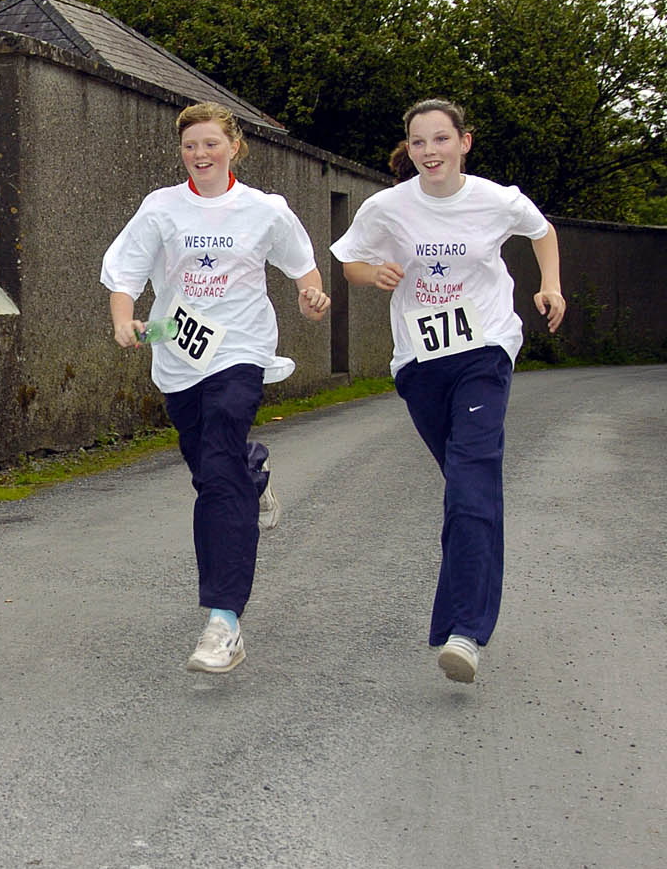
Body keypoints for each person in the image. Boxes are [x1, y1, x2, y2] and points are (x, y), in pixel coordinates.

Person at [331, 97, 565, 684]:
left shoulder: (494, 199)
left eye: (440, 139)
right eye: (418, 142)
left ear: (464, 142)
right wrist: (374, 274)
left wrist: (551, 287)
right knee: (469, 487)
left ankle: (466, 632)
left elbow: (542, 231)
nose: (429, 152)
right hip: (420, 363)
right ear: (407, 150)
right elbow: (350, 262)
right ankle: (459, 614)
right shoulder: (388, 206)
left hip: (484, 351)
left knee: (471, 482)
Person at [100, 101, 331, 674]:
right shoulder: (161, 207)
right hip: (177, 351)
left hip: (240, 351)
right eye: (189, 146)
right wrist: (121, 318)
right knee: (211, 466)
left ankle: (223, 620)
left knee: (218, 472)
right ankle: (256, 472)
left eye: (210, 144)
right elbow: (125, 272)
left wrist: (310, 294)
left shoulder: (263, 210)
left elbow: (302, 263)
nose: (200, 155)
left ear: (234, 146)